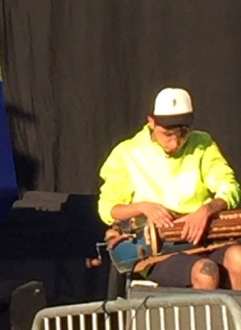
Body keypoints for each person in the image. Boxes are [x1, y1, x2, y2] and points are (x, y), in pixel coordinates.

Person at [98, 87, 241, 289]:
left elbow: (229, 186)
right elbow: (108, 209)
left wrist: (206, 210)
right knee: (206, 271)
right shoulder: (127, 152)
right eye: (167, 134)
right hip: (159, 251)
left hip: (206, 239)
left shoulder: (203, 144)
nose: (175, 142)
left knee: (239, 259)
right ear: (151, 122)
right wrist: (144, 207)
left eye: (183, 133)